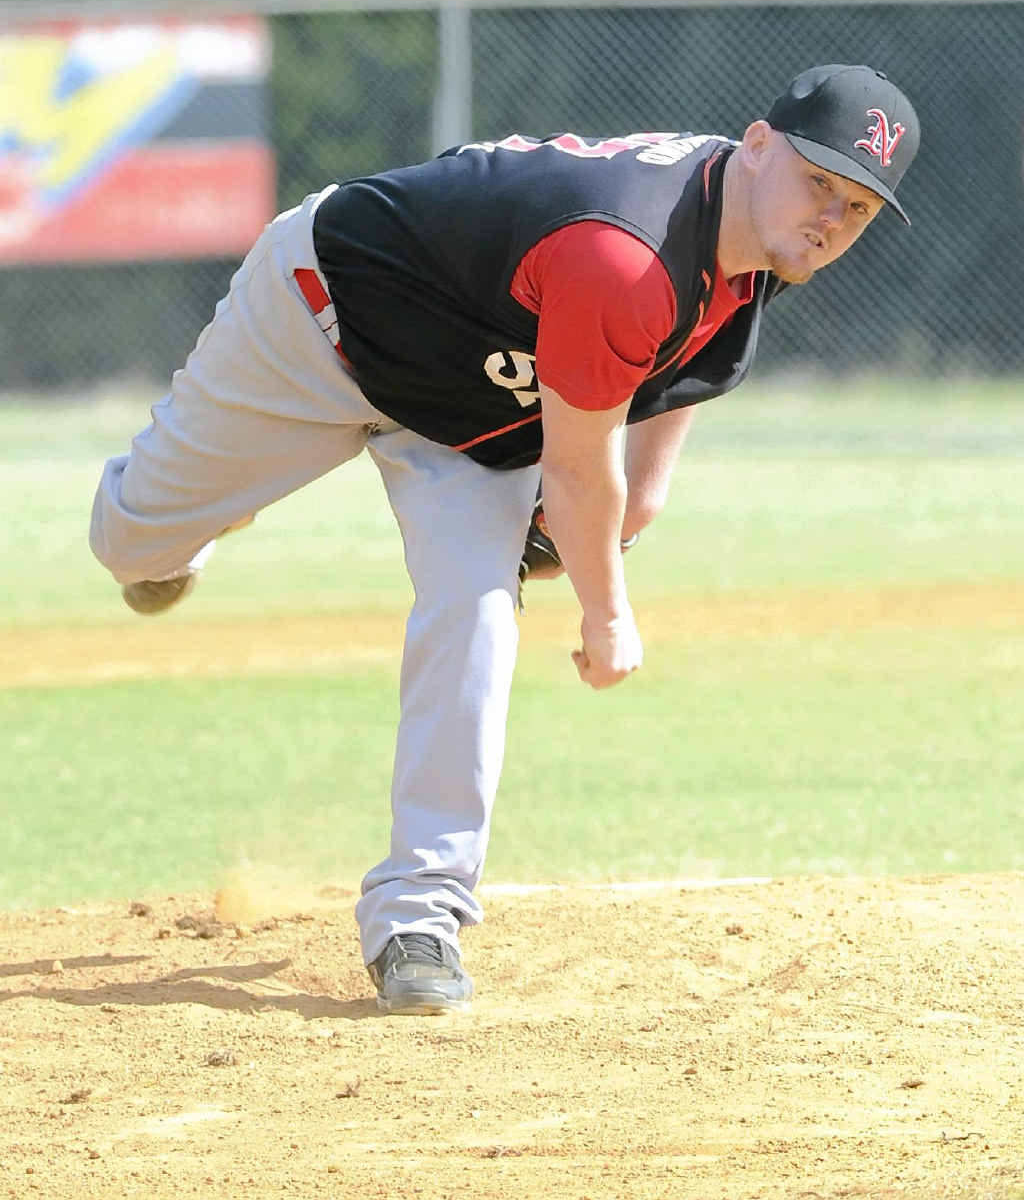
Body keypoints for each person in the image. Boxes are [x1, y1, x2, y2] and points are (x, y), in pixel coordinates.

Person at [90, 63, 919, 1015]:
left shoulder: (761, 233)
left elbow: (674, 366)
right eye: (820, 180)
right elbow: (579, 471)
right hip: (321, 324)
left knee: (477, 605)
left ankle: (419, 915)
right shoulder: (627, 246)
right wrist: (608, 615)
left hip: (474, 414)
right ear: (759, 145)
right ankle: (202, 519)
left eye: (858, 207)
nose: (831, 218)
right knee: (129, 545)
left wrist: (640, 505)